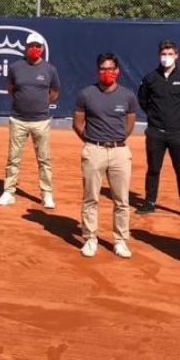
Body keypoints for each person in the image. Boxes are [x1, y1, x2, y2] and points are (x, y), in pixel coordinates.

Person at [72, 53, 138, 259]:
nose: (106, 73)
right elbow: (77, 123)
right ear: (97, 71)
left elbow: (129, 124)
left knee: (121, 200)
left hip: (120, 151)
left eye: (110, 69)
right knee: (91, 197)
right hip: (94, 150)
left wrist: (115, 141)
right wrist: (93, 142)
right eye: (102, 69)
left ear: (117, 71)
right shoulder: (86, 94)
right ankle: (90, 239)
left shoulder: (127, 96)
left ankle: (120, 241)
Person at [0, 32, 60, 209]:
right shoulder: (16, 67)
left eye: (37, 46)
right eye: (31, 45)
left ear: (42, 49)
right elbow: (10, 89)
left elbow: (54, 92)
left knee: (44, 159)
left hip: (41, 121)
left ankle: (46, 194)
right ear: (26, 47)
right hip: (18, 120)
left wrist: (41, 103)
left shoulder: (50, 69)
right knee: (13, 158)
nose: (34, 49)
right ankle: (9, 192)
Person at [136, 40, 180, 220]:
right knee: (153, 168)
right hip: (155, 132)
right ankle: (149, 202)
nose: (167, 58)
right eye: (164, 54)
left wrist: (178, 116)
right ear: (159, 56)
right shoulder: (150, 78)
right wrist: (154, 116)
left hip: (178, 133)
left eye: (170, 54)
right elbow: (143, 101)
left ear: (176, 55)